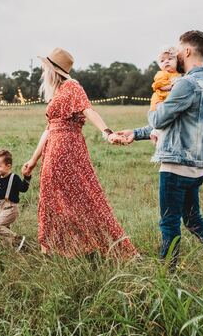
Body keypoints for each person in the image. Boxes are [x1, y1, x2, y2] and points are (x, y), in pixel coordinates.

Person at [116, 31, 203, 279]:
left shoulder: (185, 83)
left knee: (169, 223)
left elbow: (160, 118)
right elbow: (176, 123)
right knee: (194, 220)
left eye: (179, 50)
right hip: (197, 167)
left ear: (188, 51)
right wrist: (137, 133)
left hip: (175, 166)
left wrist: (156, 105)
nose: (176, 55)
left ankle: (165, 276)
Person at [22, 47, 137, 258]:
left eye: (44, 67)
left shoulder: (72, 86)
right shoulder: (57, 92)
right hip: (54, 147)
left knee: (81, 196)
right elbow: (49, 128)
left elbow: (88, 109)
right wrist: (33, 159)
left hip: (66, 148)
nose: (42, 71)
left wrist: (107, 132)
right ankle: (57, 247)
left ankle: (86, 245)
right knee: (53, 198)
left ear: (53, 70)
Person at [149, 46, 182, 146]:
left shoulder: (179, 74)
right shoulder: (162, 74)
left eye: (170, 59)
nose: (166, 62)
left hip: (169, 99)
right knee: (162, 114)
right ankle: (155, 132)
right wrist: (171, 86)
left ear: (177, 61)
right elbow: (160, 86)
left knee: (169, 117)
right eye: (162, 61)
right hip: (160, 98)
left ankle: (157, 133)